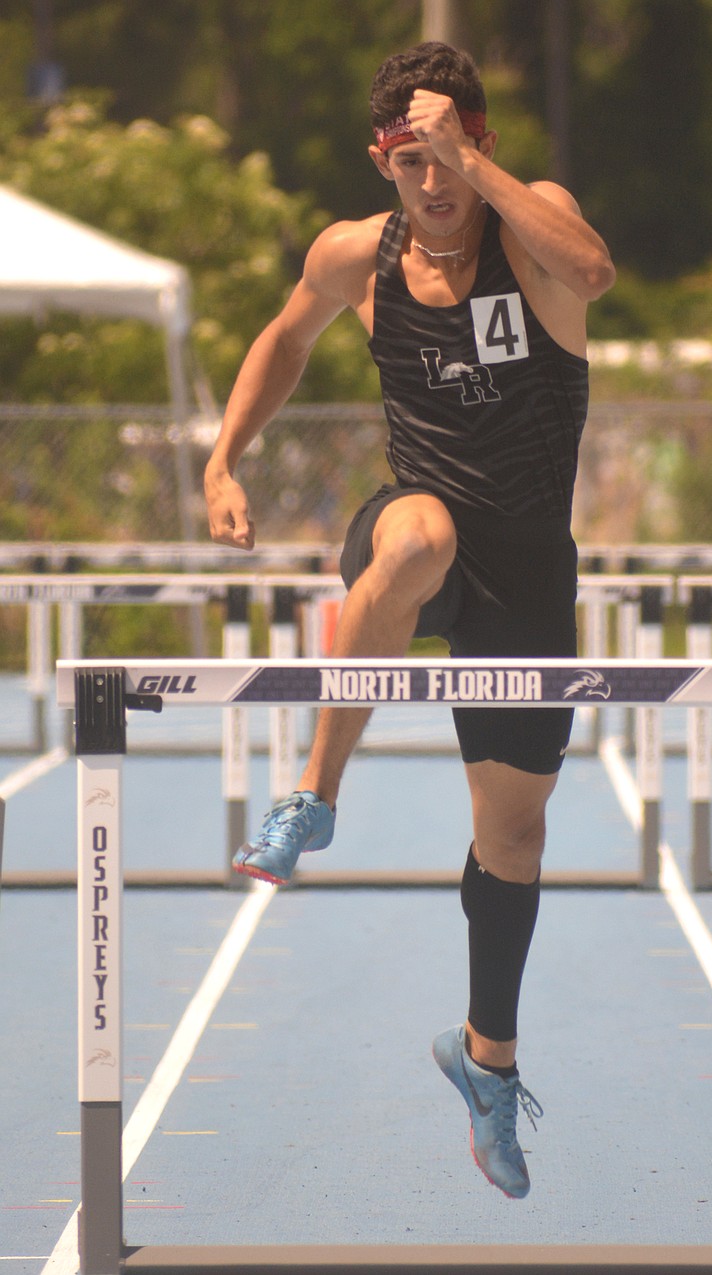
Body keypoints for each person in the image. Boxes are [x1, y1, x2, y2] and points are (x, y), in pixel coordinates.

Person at [205, 41, 615, 1199]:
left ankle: (487, 1064)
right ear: (381, 162)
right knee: (419, 534)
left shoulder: (531, 227)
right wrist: (223, 456)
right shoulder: (356, 254)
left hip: (526, 572)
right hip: (415, 536)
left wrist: (477, 172)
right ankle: (312, 798)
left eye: (450, 158)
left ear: (478, 147)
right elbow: (285, 338)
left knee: (514, 840)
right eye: (411, 164)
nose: (432, 188)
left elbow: (589, 275)